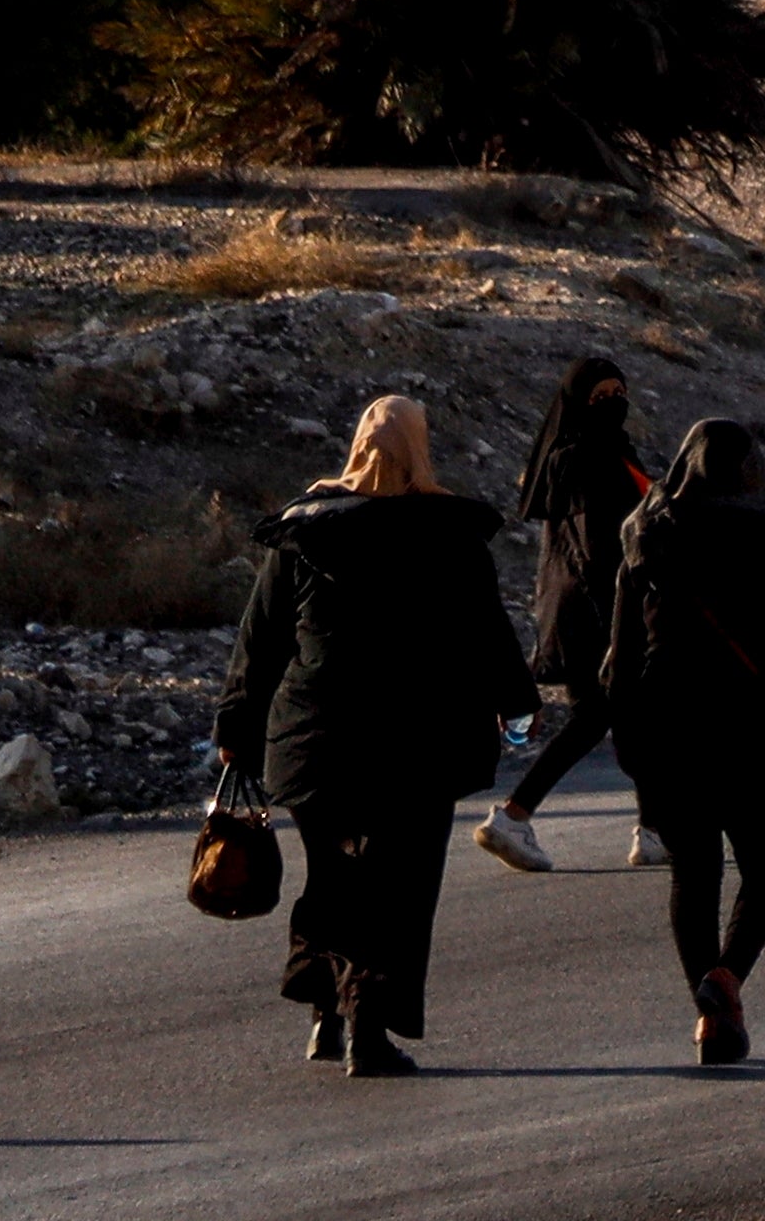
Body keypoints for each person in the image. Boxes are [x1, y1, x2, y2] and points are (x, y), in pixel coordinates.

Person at [211, 391, 537, 1078]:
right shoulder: (450, 536)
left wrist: (235, 726)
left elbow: (261, 640)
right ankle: (367, 1028)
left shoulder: (306, 531)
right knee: (398, 885)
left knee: (334, 875)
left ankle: (326, 1013)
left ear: (356, 446)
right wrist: (517, 702)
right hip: (416, 744)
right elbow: (487, 634)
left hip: (314, 739)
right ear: (421, 448)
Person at [603, 418, 765, 1067]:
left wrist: (627, 745)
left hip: (660, 731)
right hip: (743, 728)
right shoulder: (755, 529)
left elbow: (618, 659)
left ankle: (715, 1021)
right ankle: (727, 981)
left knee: (695, 873)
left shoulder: (642, 531)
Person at [483, 355, 645, 874]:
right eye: (600, 397)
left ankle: (657, 828)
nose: (613, 403)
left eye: (618, 392)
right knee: (598, 716)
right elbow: (600, 549)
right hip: (596, 612)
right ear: (578, 404)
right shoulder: (580, 459)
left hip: (589, 609)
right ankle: (513, 815)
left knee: (631, 721)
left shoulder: (610, 453)